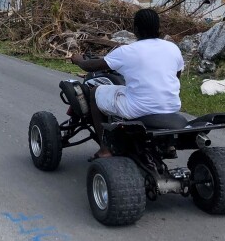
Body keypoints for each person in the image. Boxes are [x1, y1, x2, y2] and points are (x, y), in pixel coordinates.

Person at [70, 8, 184, 158]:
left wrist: (78, 59)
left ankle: (105, 148)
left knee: (95, 92)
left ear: (135, 29)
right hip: (171, 106)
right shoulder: (172, 48)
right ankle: (167, 145)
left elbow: (90, 66)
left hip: (138, 108)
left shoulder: (127, 51)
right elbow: (176, 76)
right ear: (158, 28)